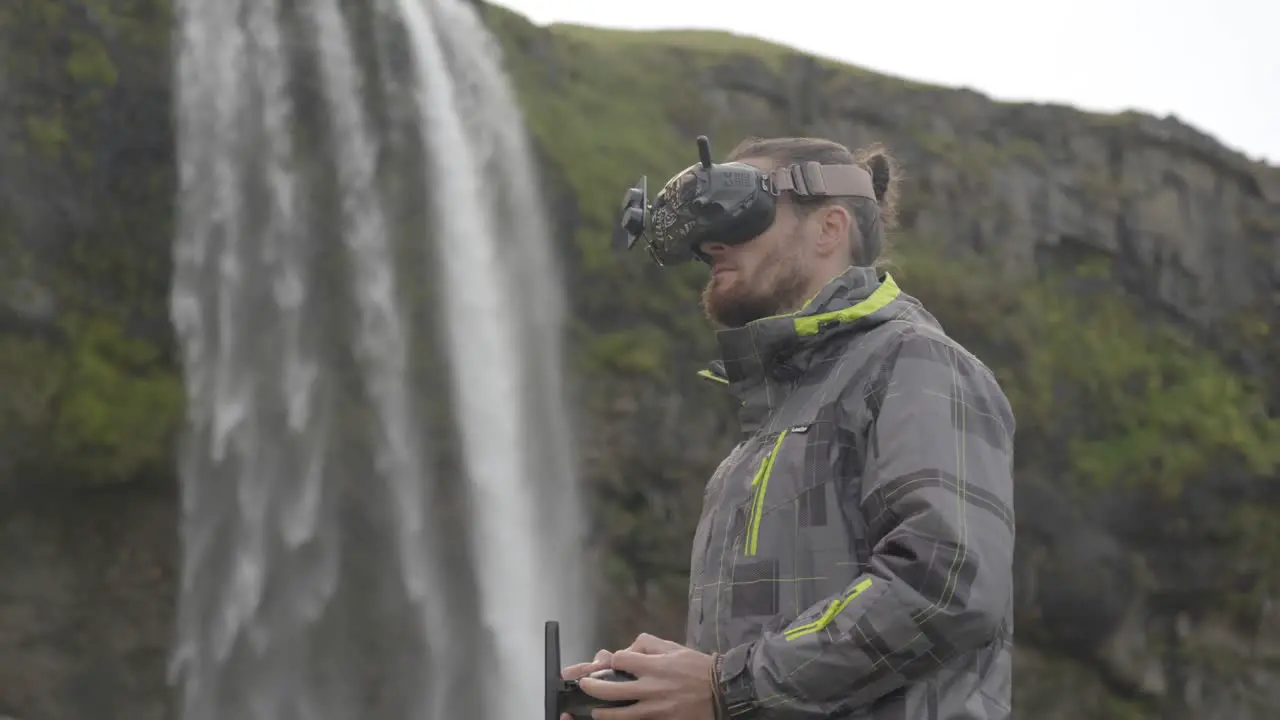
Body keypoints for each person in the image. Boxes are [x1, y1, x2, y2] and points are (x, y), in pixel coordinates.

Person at [562, 136, 1016, 720]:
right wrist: (653, 698)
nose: (711, 241)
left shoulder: (917, 362)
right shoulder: (753, 447)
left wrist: (726, 686)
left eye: (739, 207)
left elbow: (946, 581)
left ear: (829, 228)